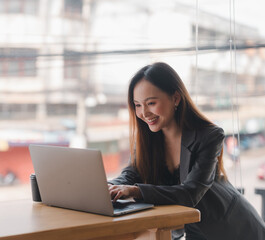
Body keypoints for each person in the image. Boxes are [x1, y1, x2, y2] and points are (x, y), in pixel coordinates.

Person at [107, 62, 265, 240]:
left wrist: (134, 191)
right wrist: (107, 187)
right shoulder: (147, 140)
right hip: (193, 230)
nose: (144, 113)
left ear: (175, 98)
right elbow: (130, 175)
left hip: (233, 228)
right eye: (137, 105)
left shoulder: (209, 136)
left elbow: (190, 194)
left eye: (151, 103)